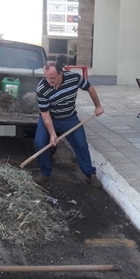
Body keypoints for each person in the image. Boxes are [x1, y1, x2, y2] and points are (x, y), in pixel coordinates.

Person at [33, 60, 104, 188]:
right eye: (47, 77)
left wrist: (98, 106)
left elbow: (91, 89)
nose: (49, 81)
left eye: (52, 78)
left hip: (69, 118)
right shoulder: (42, 88)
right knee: (40, 142)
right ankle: (45, 172)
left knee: (81, 144)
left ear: (61, 73)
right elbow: (45, 115)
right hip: (51, 118)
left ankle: (89, 174)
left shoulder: (74, 78)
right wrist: (52, 134)